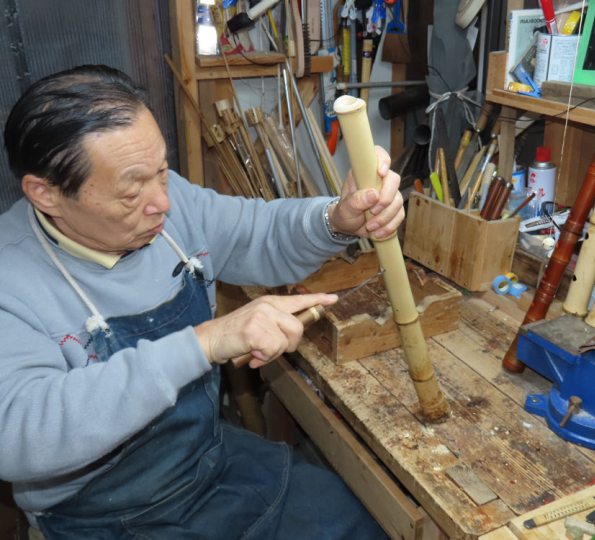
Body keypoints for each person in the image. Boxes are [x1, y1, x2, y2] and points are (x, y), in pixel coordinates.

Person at [0, 65, 403, 539]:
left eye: (162, 172)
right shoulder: (12, 279)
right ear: (45, 194)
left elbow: (259, 232)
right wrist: (203, 343)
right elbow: (19, 434)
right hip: (104, 511)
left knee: (362, 525)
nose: (162, 203)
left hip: (208, 459)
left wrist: (336, 219)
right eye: (131, 191)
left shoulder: (170, 205)